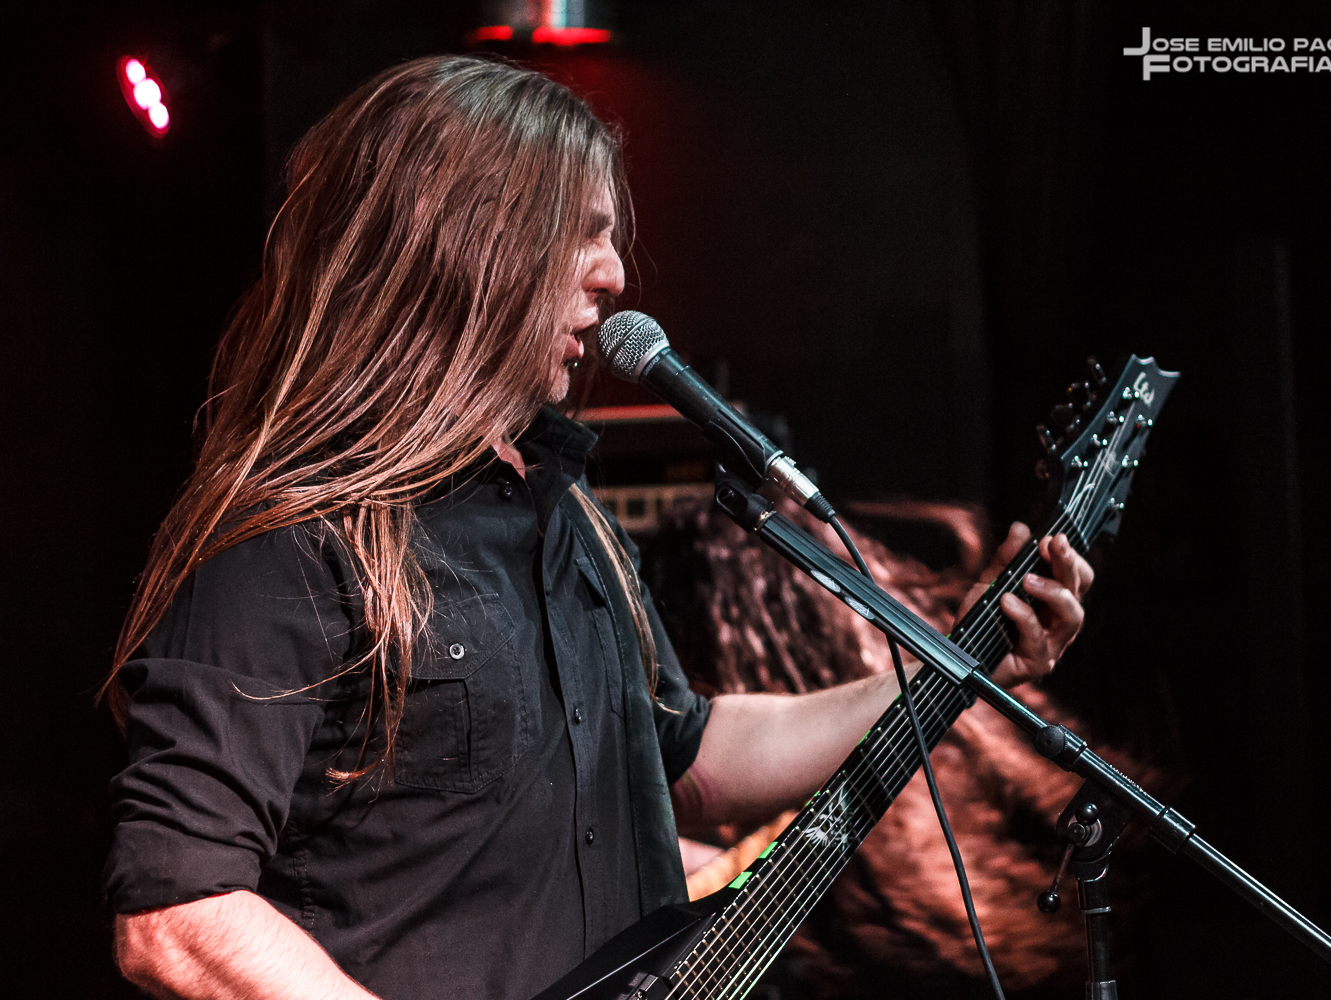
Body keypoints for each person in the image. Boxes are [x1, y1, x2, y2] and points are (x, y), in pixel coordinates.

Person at [103, 55, 1094, 1000]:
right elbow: (179, 911)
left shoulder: (563, 513)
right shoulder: (292, 539)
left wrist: (958, 660)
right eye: (580, 234)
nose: (616, 275)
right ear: (467, 244)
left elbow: (689, 763)